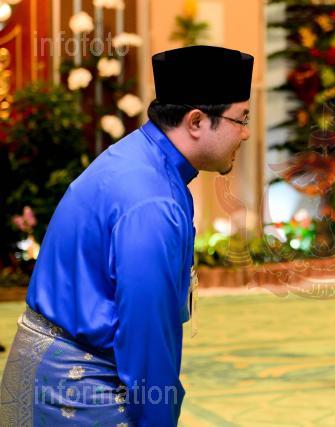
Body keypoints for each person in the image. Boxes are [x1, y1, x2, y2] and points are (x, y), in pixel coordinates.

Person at [0, 45, 253, 426]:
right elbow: (146, 339)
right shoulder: (152, 201)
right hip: (75, 390)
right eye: (241, 119)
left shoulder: (142, 158)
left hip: (56, 369)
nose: (246, 134)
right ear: (197, 122)